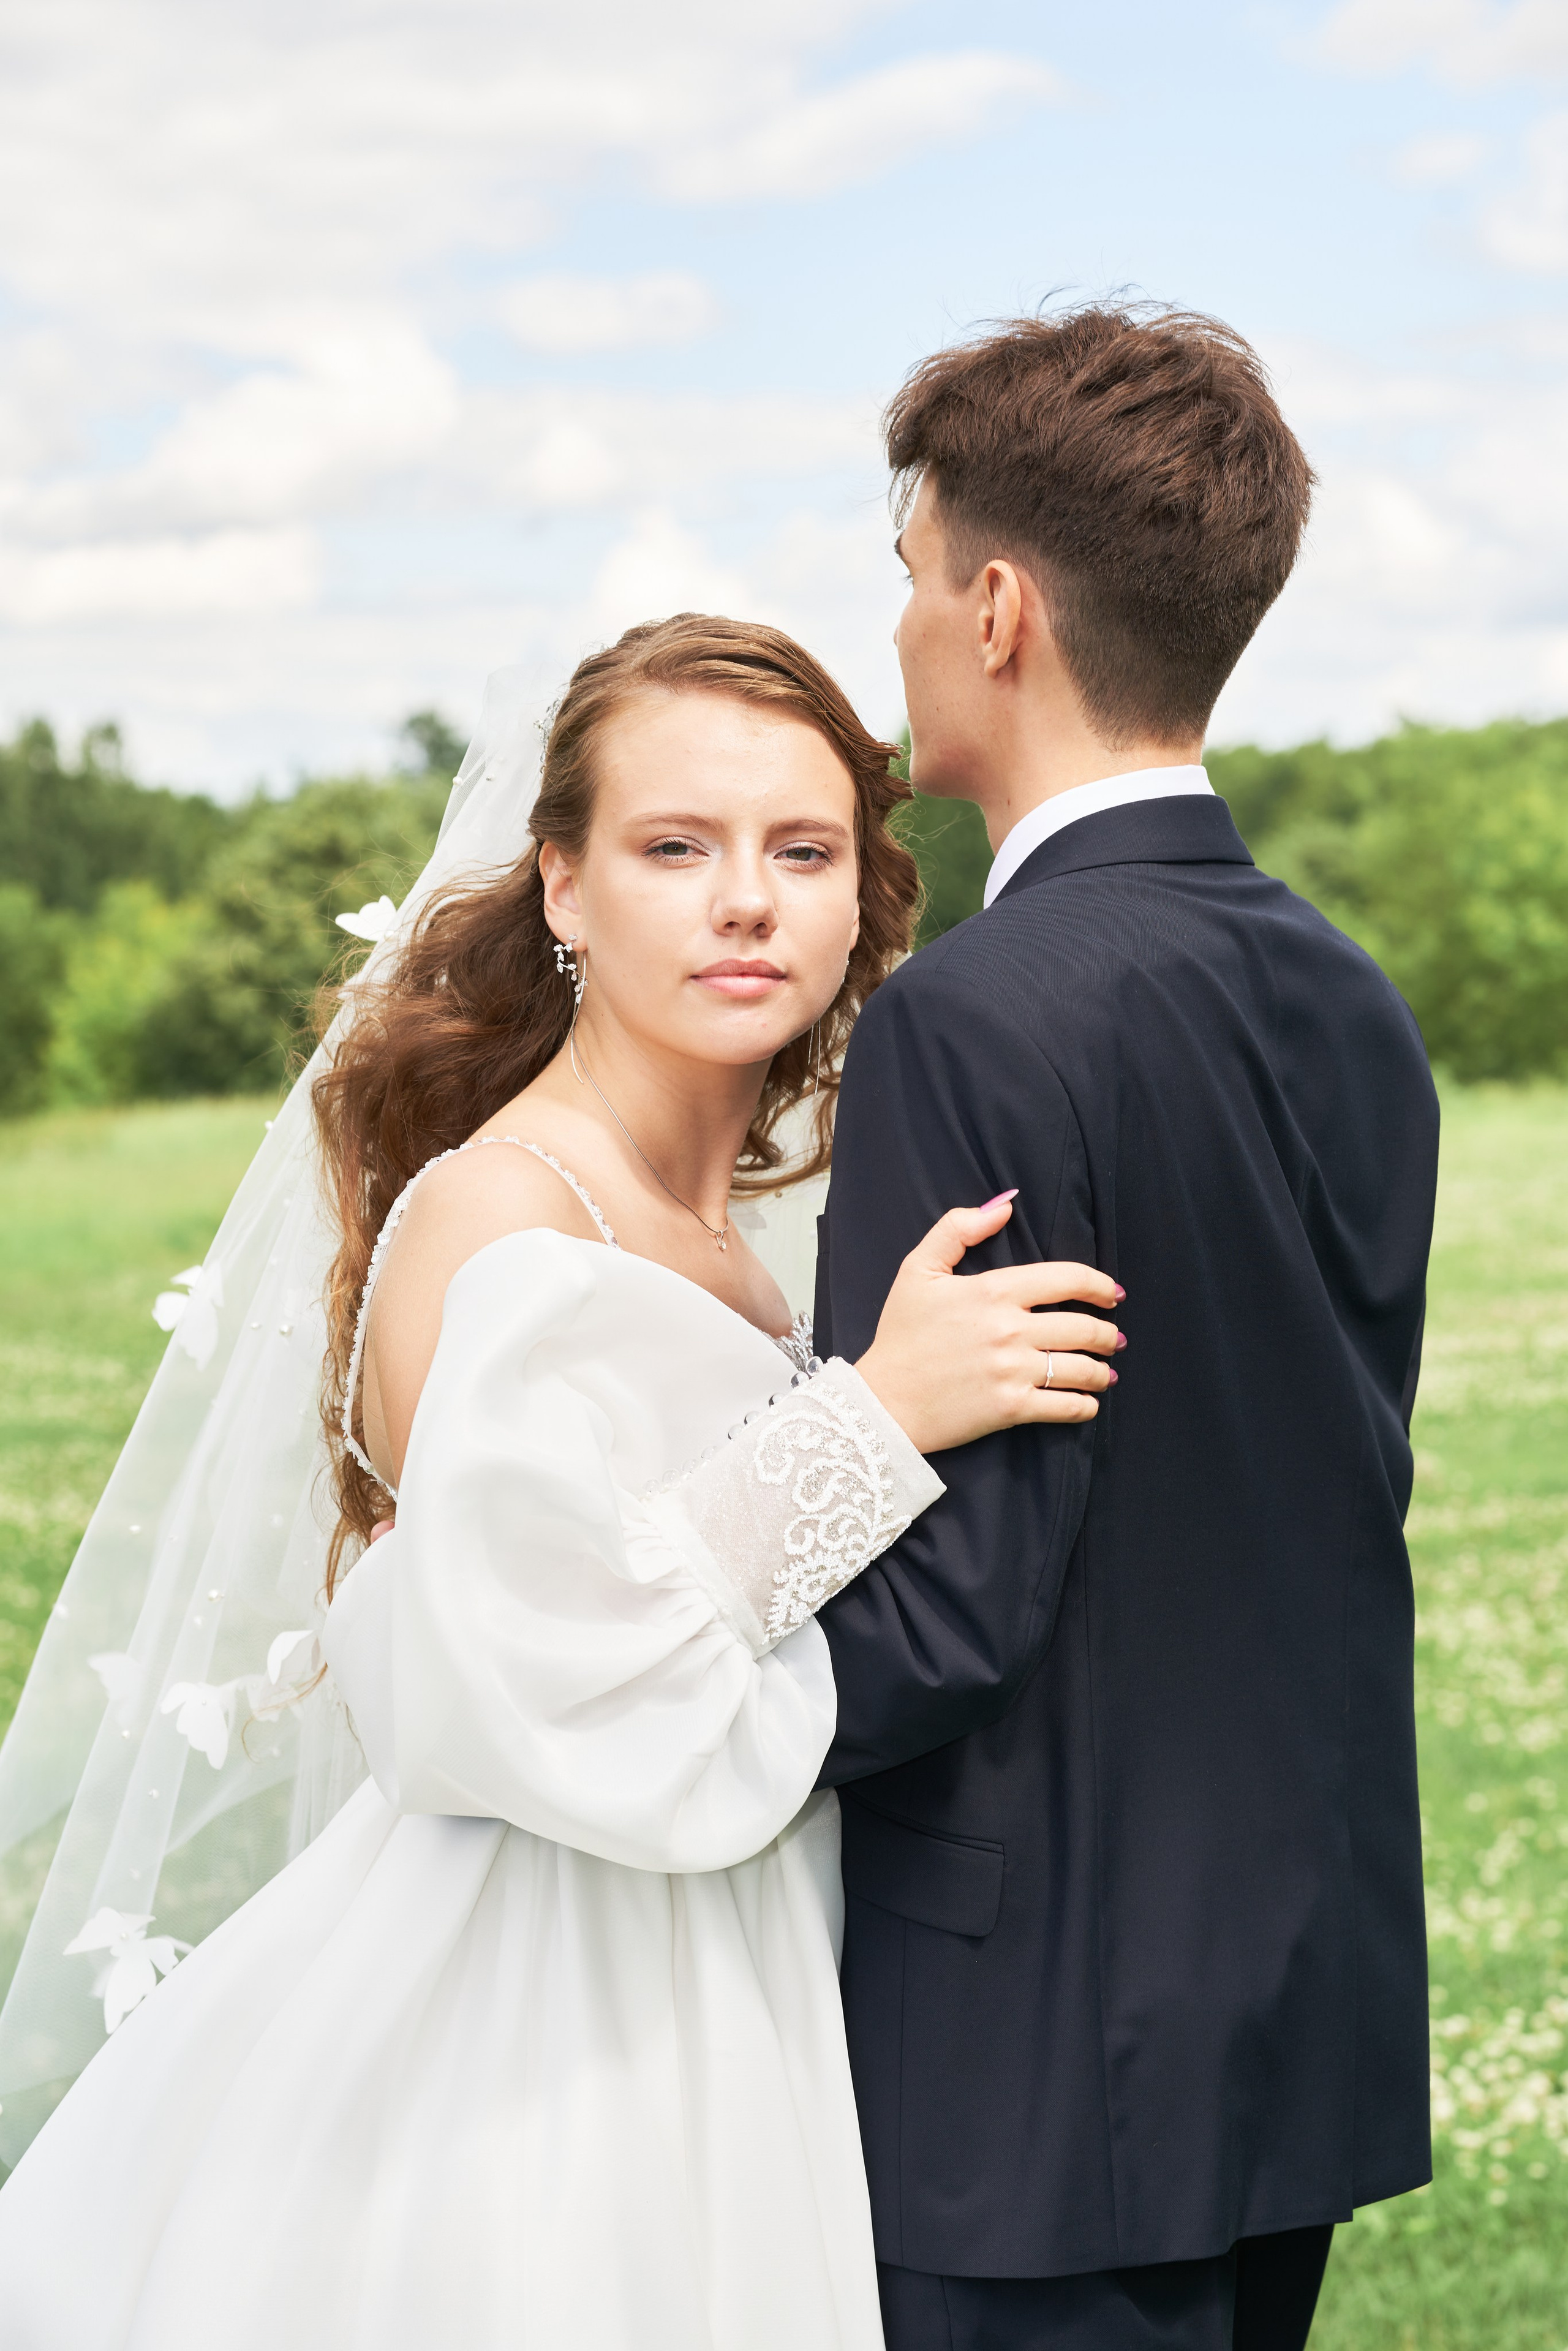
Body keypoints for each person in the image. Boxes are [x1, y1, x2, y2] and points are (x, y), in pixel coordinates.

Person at [0, 616, 1124, 2348]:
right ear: (564, 888)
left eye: (801, 851)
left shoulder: (745, 1229)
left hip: (731, 1955)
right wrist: (877, 1421)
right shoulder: (507, 1210)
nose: (744, 902)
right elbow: (516, 1673)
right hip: (538, 2016)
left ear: (860, 900)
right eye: (674, 848)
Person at [801, 305, 1441, 2351]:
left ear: (997, 611)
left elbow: (941, 1625)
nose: (898, 627)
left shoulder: (967, 1022)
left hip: (1026, 2063)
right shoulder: (1351, 998)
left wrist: (658, 1641)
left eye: (911, 575)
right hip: (1299, 2007)